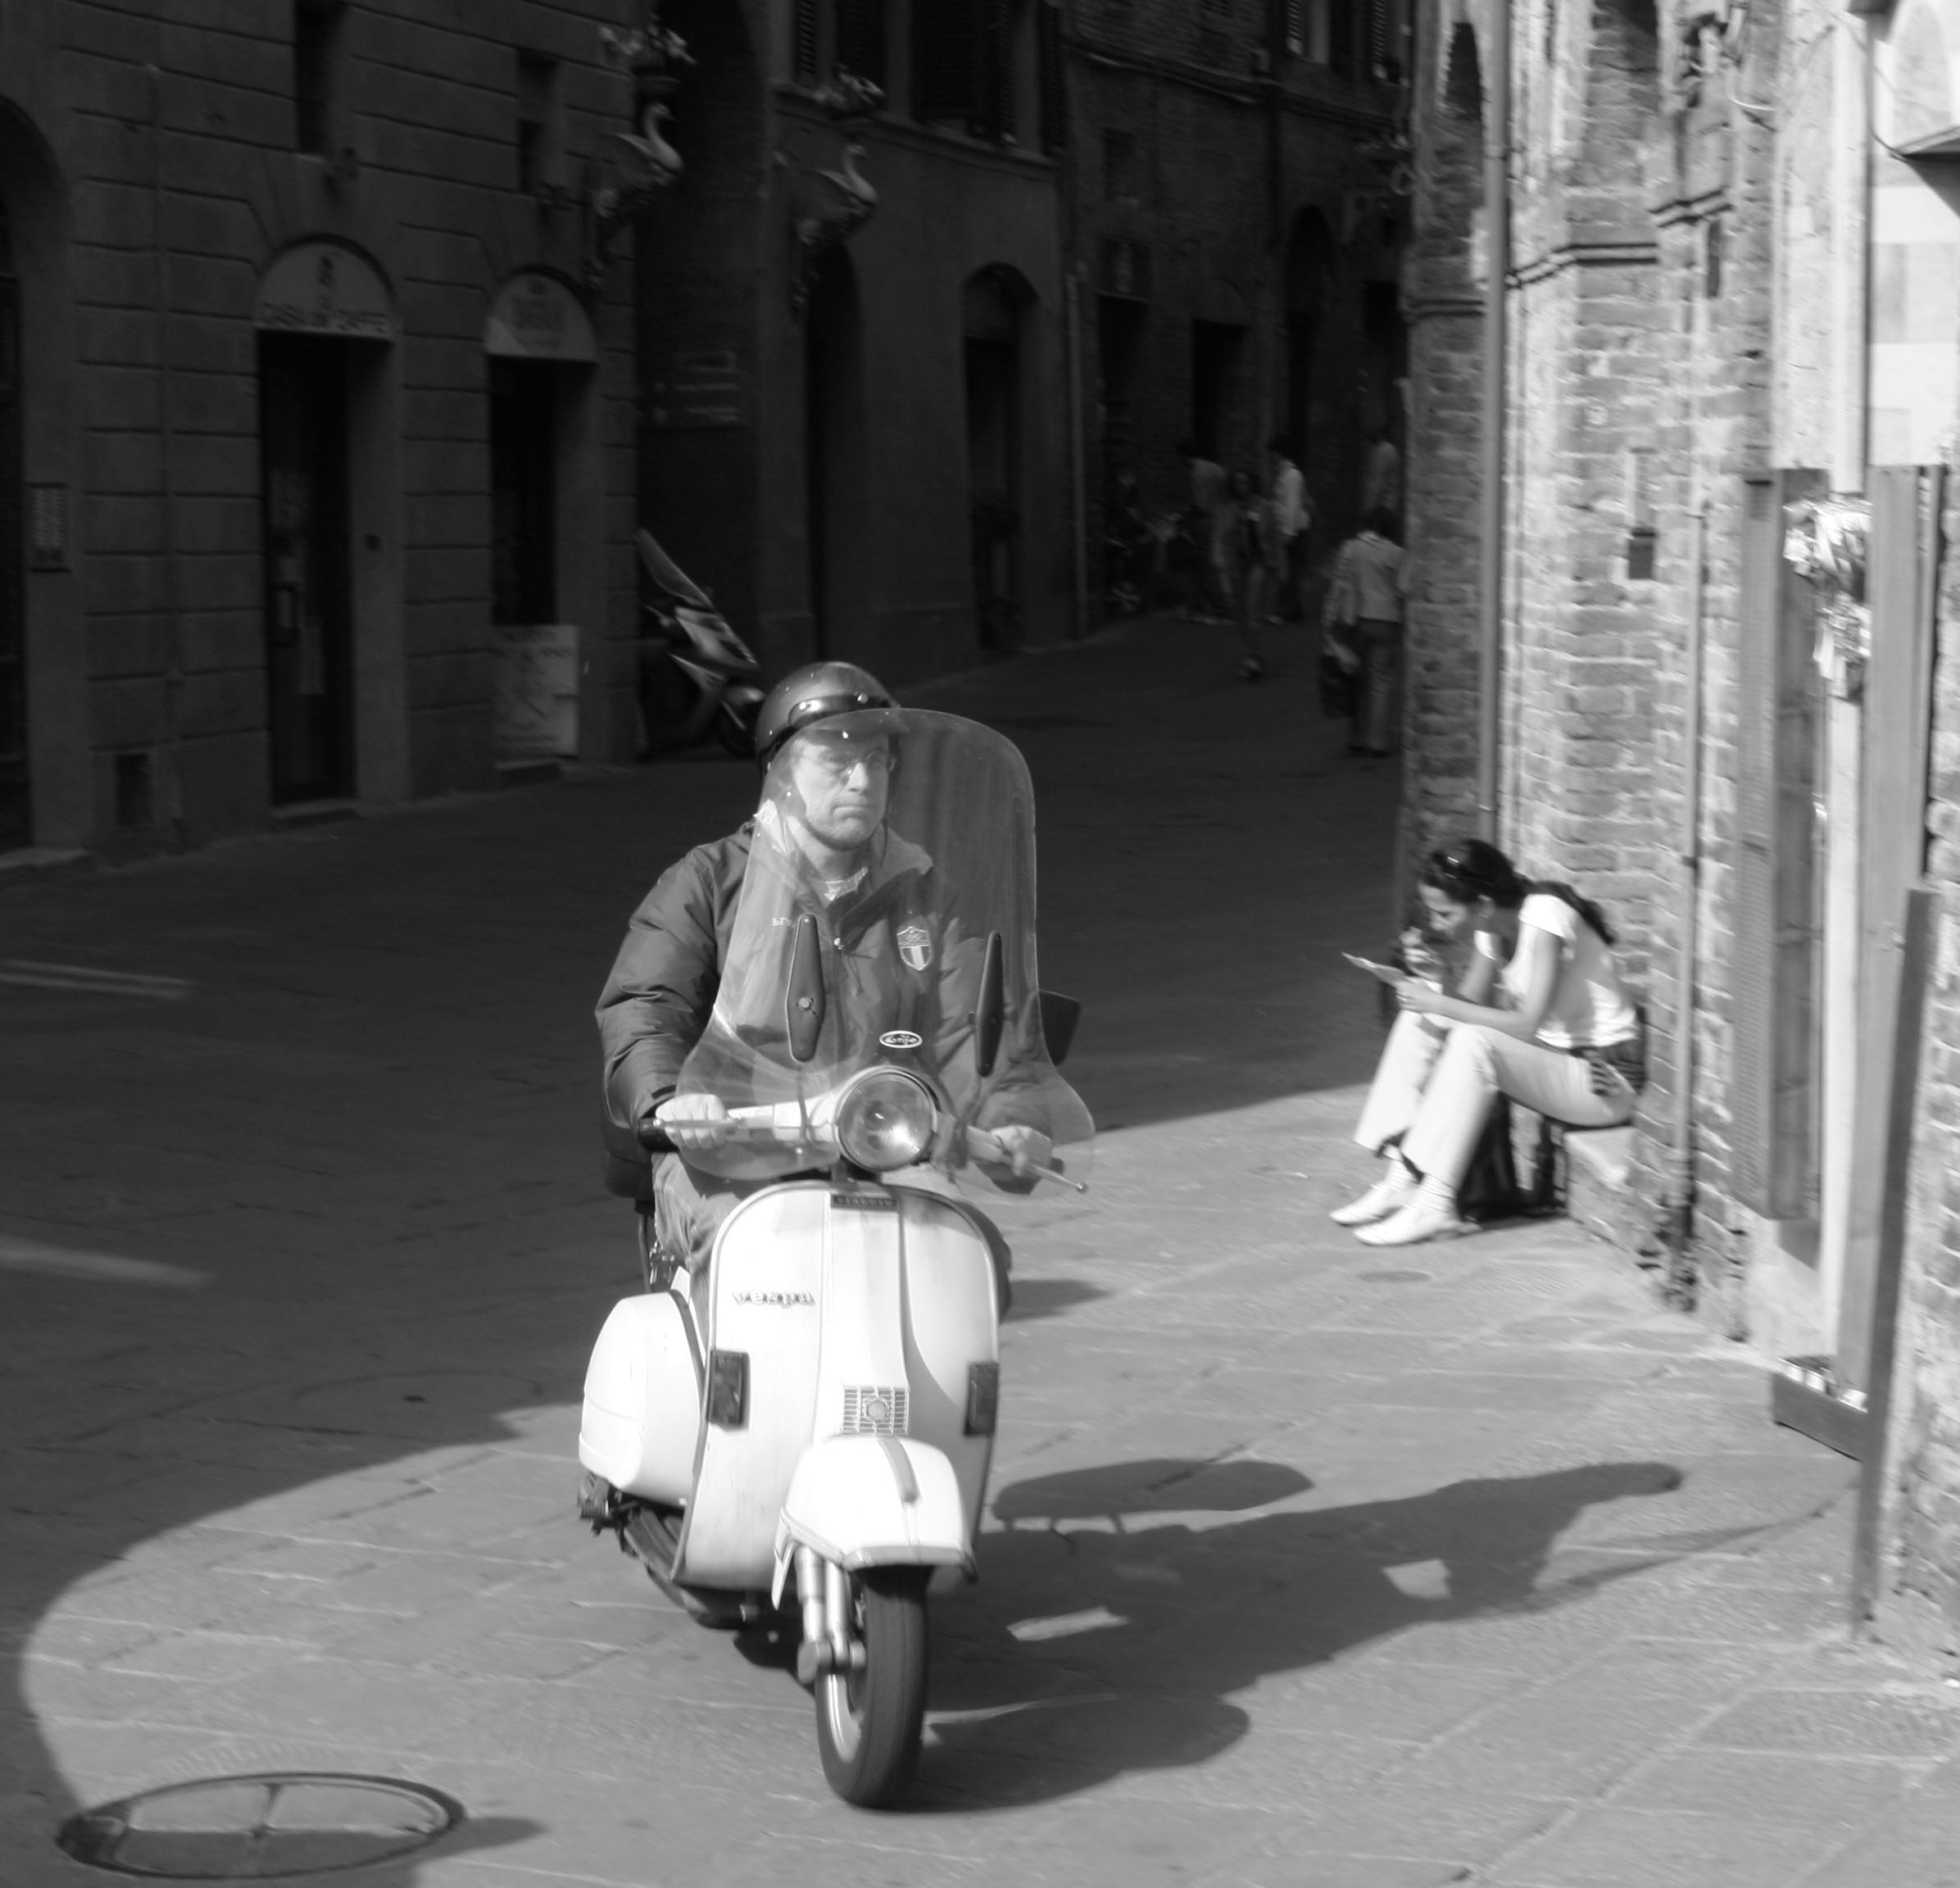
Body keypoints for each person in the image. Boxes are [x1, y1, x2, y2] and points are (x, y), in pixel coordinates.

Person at [596, 660, 1055, 1280]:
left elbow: (972, 1031)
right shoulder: (709, 883)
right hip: (730, 1153)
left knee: (971, 1262)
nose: (862, 780)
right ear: (780, 773)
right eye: (837, 762)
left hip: (883, 1147)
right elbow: (644, 1007)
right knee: (761, 1257)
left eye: (878, 760)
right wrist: (674, 1099)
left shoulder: (927, 895)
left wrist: (1012, 1121)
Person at [1332, 838, 1645, 1247]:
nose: (1436, 923)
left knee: (1475, 1041)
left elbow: (1526, 1024)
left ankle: (1435, 1203)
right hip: (1554, 1065)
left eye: (1444, 913)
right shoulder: (1491, 923)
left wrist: (1440, 1000)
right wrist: (1437, 980)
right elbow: (1467, 1004)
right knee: (1421, 1016)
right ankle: (1400, 1177)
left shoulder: (1545, 916)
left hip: (1604, 1080)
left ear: (1481, 903)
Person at [1325, 507, 1407, 756]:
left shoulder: (1352, 548)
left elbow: (1340, 582)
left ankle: (1356, 737)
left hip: (1357, 619)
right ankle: (1377, 741)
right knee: (1381, 683)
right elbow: (1403, 589)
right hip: (1387, 620)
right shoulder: (1397, 554)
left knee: (1358, 680)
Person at [1177, 439, 1231, 622]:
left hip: (1203, 521)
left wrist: (1184, 517)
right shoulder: (1216, 468)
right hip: (1219, 517)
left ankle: (1220, 607)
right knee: (1204, 564)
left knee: (1202, 565)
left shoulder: (1196, 473)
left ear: (1184, 456)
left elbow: (1199, 504)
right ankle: (1199, 606)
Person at [1265, 435, 1312, 623]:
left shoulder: (1292, 475)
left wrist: (1288, 533)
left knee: (1290, 571)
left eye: (1273, 453)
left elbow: (1292, 505)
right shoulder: (1285, 474)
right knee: (1290, 571)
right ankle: (1292, 609)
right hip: (1286, 529)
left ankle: (1289, 611)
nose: (1271, 457)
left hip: (1291, 530)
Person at [1360, 423, 1402, 524]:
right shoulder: (1390, 450)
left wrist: (1368, 509)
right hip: (1390, 507)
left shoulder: (1383, 451)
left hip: (1381, 509)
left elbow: (1377, 482)